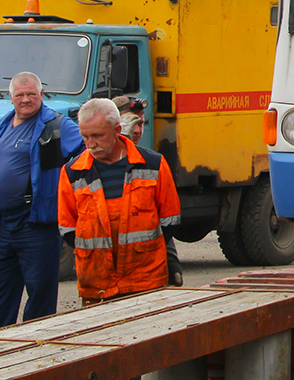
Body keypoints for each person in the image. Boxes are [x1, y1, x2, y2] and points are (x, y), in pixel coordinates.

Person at [59, 98, 182, 304]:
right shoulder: (72, 174)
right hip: (96, 286)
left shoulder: (153, 165)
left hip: (145, 283)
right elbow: (68, 229)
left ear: (117, 130)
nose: (91, 144)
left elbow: (170, 221)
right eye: (85, 137)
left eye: (97, 136)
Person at [0, 72, 82, 325]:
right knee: (2, 292)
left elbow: (86, 155)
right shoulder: (4, 124)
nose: (26, 99)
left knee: (40, 291)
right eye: (20, 95)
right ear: (10, 98)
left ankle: (38, 349)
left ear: (41, 96)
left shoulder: (58, 126)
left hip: (36, 224)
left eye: (31, 94)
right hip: (4, 224)